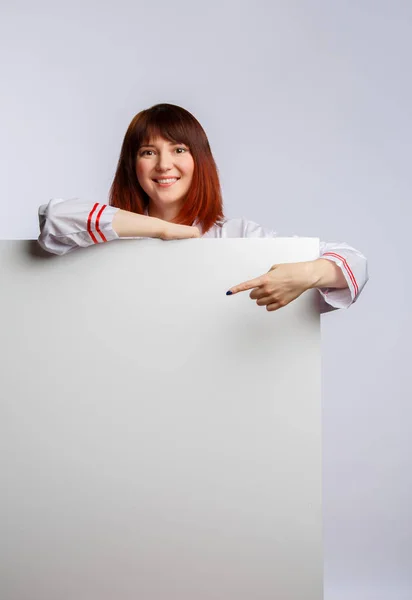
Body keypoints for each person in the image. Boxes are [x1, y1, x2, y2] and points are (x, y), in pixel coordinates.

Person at [38, 103, 368, 313]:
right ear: (132, 165)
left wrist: (308, 274)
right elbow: (53, 219)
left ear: (200, 162)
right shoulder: (111, 237)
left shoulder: (237, 236)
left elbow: (354, 263)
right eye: (148, 152)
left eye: (179, 149)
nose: (164, 165)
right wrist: (162, 229)